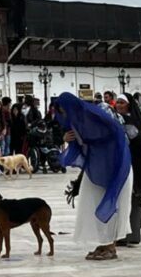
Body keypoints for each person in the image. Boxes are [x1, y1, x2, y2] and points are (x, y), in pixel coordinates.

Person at [57, 92, 133, 261]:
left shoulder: (95, 116)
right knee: (92, 203)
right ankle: (103, 242)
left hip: (115, 166)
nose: (63, 115)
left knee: (112, 204)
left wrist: (84, 139)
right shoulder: (77, 122)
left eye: (64, 110)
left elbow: (113, 136)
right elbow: (82, 147)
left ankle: (110, 246)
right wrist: (69, 139)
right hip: (96, 169)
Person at [114, 93, 141, 246]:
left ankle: (131, 234)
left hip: (135, 163)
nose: (118, 105)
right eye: (117, 102)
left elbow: (135, 141)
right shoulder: (114, 120)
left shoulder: (133, 121)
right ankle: (120, 233)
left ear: (128, 105)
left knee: (133, 197)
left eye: (122, 103)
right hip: (119, 163)